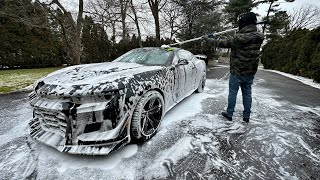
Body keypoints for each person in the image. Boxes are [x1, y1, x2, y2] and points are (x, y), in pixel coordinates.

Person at [202, 12, 264, 123]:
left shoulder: (238, 38)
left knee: (233, 93)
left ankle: (229, 113)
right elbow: (248, 35)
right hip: (250, 71)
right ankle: (246, 116)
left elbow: (221, 43)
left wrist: (208, 39)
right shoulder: (259, 37)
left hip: (237, 71)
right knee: (247, 93)